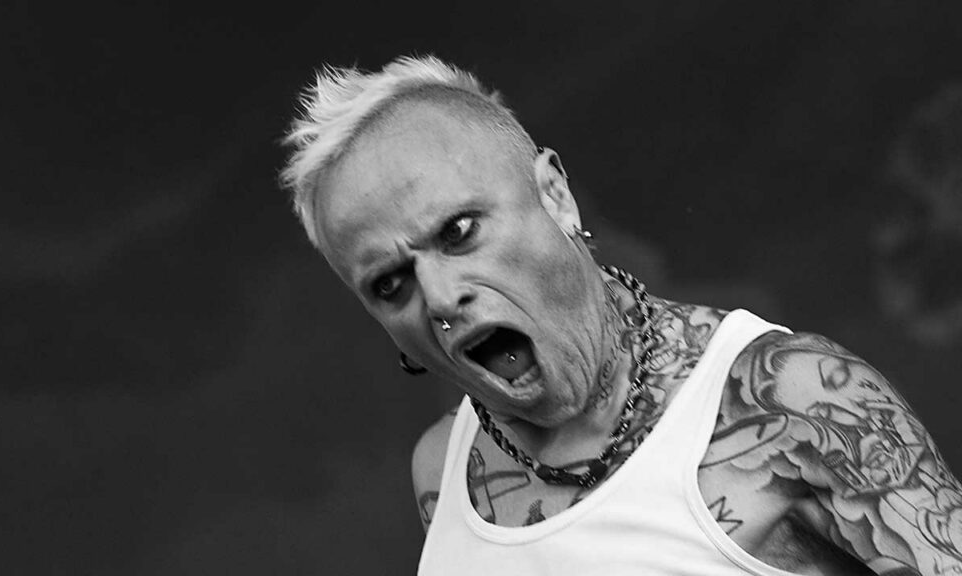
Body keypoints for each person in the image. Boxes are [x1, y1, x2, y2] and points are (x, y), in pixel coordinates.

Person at [280, 55, 962, 575]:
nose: (437, 297)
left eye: (458, 233)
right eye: (390, 284)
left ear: (555, 196)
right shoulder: (443, 469)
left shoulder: (790, 399)